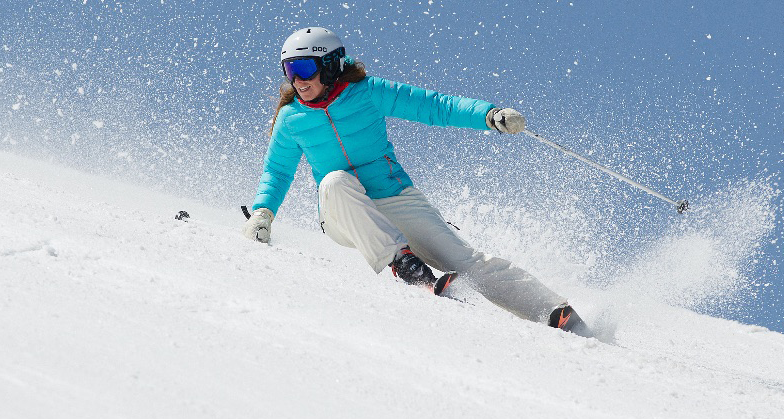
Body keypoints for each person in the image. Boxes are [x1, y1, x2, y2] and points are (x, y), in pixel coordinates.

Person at [241, 26, 589, 335]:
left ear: (332, 66)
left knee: (465, 262)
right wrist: (263, 214)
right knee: (333, 181)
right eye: (289, 70)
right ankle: (403, 264)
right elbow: (278, 171)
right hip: (344, 212)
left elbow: (436, 106)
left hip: (395, 198)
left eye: (304, 68)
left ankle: (555, 312)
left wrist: (489, 115)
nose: (297, 80)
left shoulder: (368, 93)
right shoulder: (291, 119)